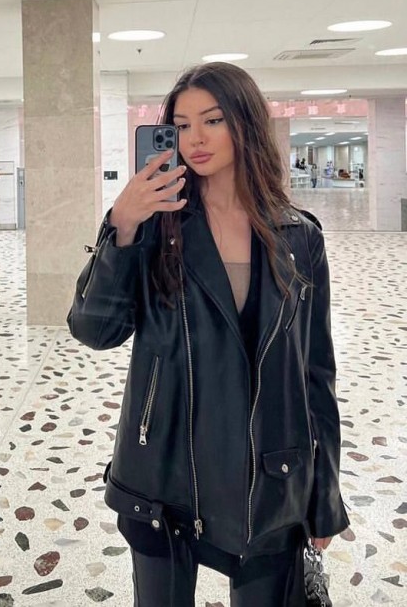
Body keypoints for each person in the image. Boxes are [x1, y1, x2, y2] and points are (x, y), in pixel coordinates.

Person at [68, 62, 349, 607]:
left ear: (245, 123)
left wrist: (325, 495)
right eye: (181, 125)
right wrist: (122, 226)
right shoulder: (155, 225)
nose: (194, 138)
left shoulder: (299, 237)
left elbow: (315, 373)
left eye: (213, 120)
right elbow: (95, 330)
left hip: (270, 477)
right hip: (163, 475)